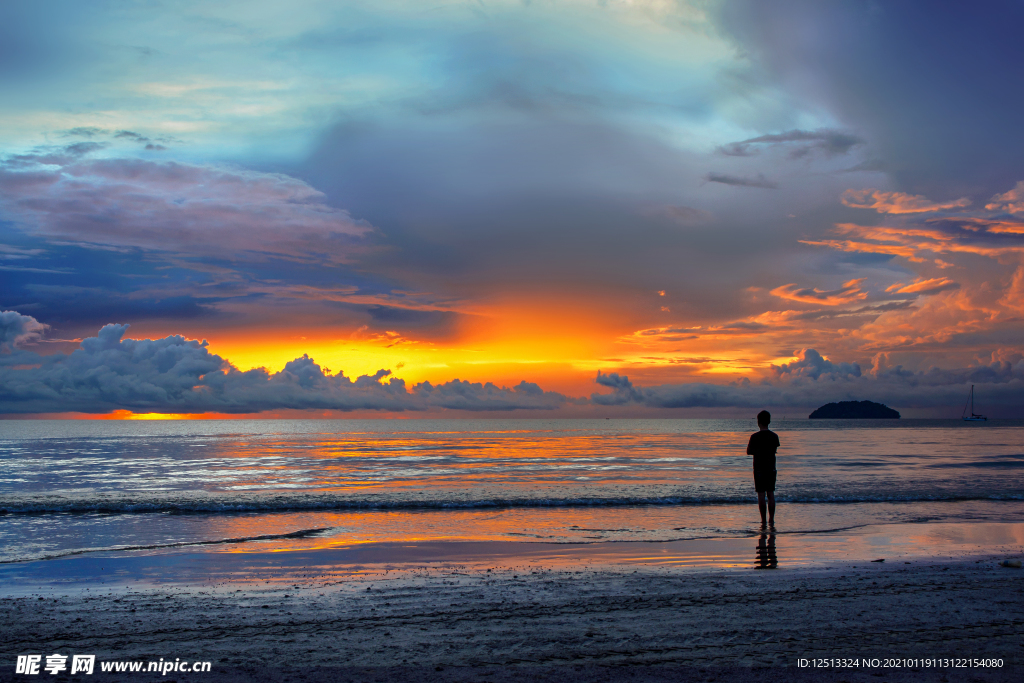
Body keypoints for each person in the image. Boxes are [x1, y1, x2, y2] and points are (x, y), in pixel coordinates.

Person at [746, 409, 779, 528]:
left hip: (759, 468)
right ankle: (771, 519)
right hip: (771, 467)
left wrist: (758, 451)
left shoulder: (754, 437)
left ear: (758, 422)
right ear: (769, 421)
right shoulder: (774, 436)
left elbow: (748, 451)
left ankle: (763, 520)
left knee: (761, 494)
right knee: (770, 493)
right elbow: (774, 450)